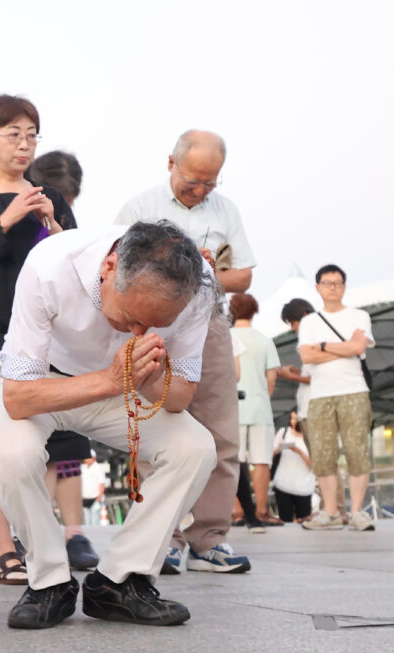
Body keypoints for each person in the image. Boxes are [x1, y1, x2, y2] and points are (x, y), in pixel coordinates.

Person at [0, 221, 219, 629]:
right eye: (130, 317)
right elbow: (17, 398)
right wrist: (110, 380)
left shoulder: (199, 287)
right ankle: (49, 582)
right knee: (12, 455)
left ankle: (120, 582)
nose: (138, 332)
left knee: (195, 449)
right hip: (43, 384)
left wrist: (145, 375)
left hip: (126, 384)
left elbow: (180, 397)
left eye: (154, 325)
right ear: (109, 267)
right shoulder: (51, 264)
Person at [0, 94, 90, 586]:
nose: (24, 144)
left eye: (31, 135)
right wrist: (8, 219)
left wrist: (51, 222)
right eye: (13, 135)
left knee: (51, 440)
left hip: (48, 336)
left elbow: (77, 264)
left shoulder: (51, 196)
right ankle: (3, 546)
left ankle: (34, 541)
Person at [116, 129, 252, 575]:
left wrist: (207, 273)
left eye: (210, 183)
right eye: (193, 179)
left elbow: (243, 276)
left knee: (220, 429)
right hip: (156, 320)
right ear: (170, 163)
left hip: (209, 320)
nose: (200, 190)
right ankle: (165, 537)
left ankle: (209, 536)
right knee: (158, 422)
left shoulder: (225, 210)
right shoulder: (140, 207)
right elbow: (118, 268)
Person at [26, 149, 99, 570]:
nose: (65, 201)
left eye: (70, 195)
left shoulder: (77, 230)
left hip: (68, 343)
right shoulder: (22, 217)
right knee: (27, 445)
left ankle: (75, 531)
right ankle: (28, 533)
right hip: (27, 340)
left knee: (68, 445)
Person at [298, 264, 376, 531]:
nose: (333, 287)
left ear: (344, 286)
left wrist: (322, 347)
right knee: (322, 453)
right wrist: (345, 348)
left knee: (357, 450)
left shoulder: (359, 316)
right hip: (320, 394)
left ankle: (356, 511)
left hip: (354, 390)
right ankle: (330, 511)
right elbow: (306, 356)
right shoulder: (309, 321)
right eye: (327, 282)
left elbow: (359, 346)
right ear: (318, 287)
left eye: (338, 282)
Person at [230, 293, 281, 526]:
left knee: (233, 460)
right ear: (254, 311)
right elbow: (272, 377)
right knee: (261, 461)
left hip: (233, 407)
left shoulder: (227, 337)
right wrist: (263, 398)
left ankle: (237, 510)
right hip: (260, 407)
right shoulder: (265, 340)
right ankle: (261, 510)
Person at [277, 298, 316, 447]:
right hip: (307, 409)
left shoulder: (316, 339)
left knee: (320, 461)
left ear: (305, 316)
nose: (293, 328)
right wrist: (297, 373)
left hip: (313, 410)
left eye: (293, 323)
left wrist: (291, 376)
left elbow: (317, 377)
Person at [271, 410, 315, 523]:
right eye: (292, 419)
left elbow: (314, 466)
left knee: (304, 521)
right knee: (285, 521)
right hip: (283, 485)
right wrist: (280, 447)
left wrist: (300, 452)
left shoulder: (311, 437)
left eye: (296, 419)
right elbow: (269, 455)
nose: (293, 422)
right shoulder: (284, 432)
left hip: (304, 488)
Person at [80, 453, 107, 526]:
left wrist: (100, 496)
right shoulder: (83, 468)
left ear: (93, 458)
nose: (86, 459)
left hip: (95, 498)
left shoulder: (98, 468)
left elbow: (102, 483)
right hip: (85, 498)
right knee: (87, 520)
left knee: (95, 520)